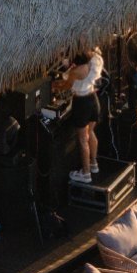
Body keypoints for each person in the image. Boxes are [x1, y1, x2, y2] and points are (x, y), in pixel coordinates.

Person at [58, 47, 104, 183]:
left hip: (82, 102)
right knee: (91, 132)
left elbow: (67, 86)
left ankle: (85, 173)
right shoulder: (97, 59)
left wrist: (55, 86)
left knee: (83, 139)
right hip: (93, 99)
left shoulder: (76, 71)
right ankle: (93, 164)